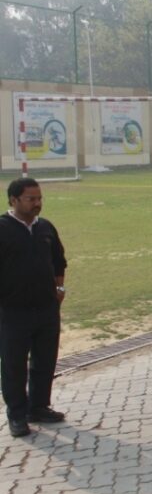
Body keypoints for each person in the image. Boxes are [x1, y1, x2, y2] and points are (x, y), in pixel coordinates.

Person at [1, 178, 68, 438]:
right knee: (14, 365)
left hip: (46, 309)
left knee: (45, 360)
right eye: (31, 199)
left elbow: (59, 262)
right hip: (12, 312)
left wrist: (59, 288)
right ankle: (17, 415)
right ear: (14, 200)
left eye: (39, 198)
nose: (37, 203)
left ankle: (38, 407)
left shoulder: (45, 228)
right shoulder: (3, 228)